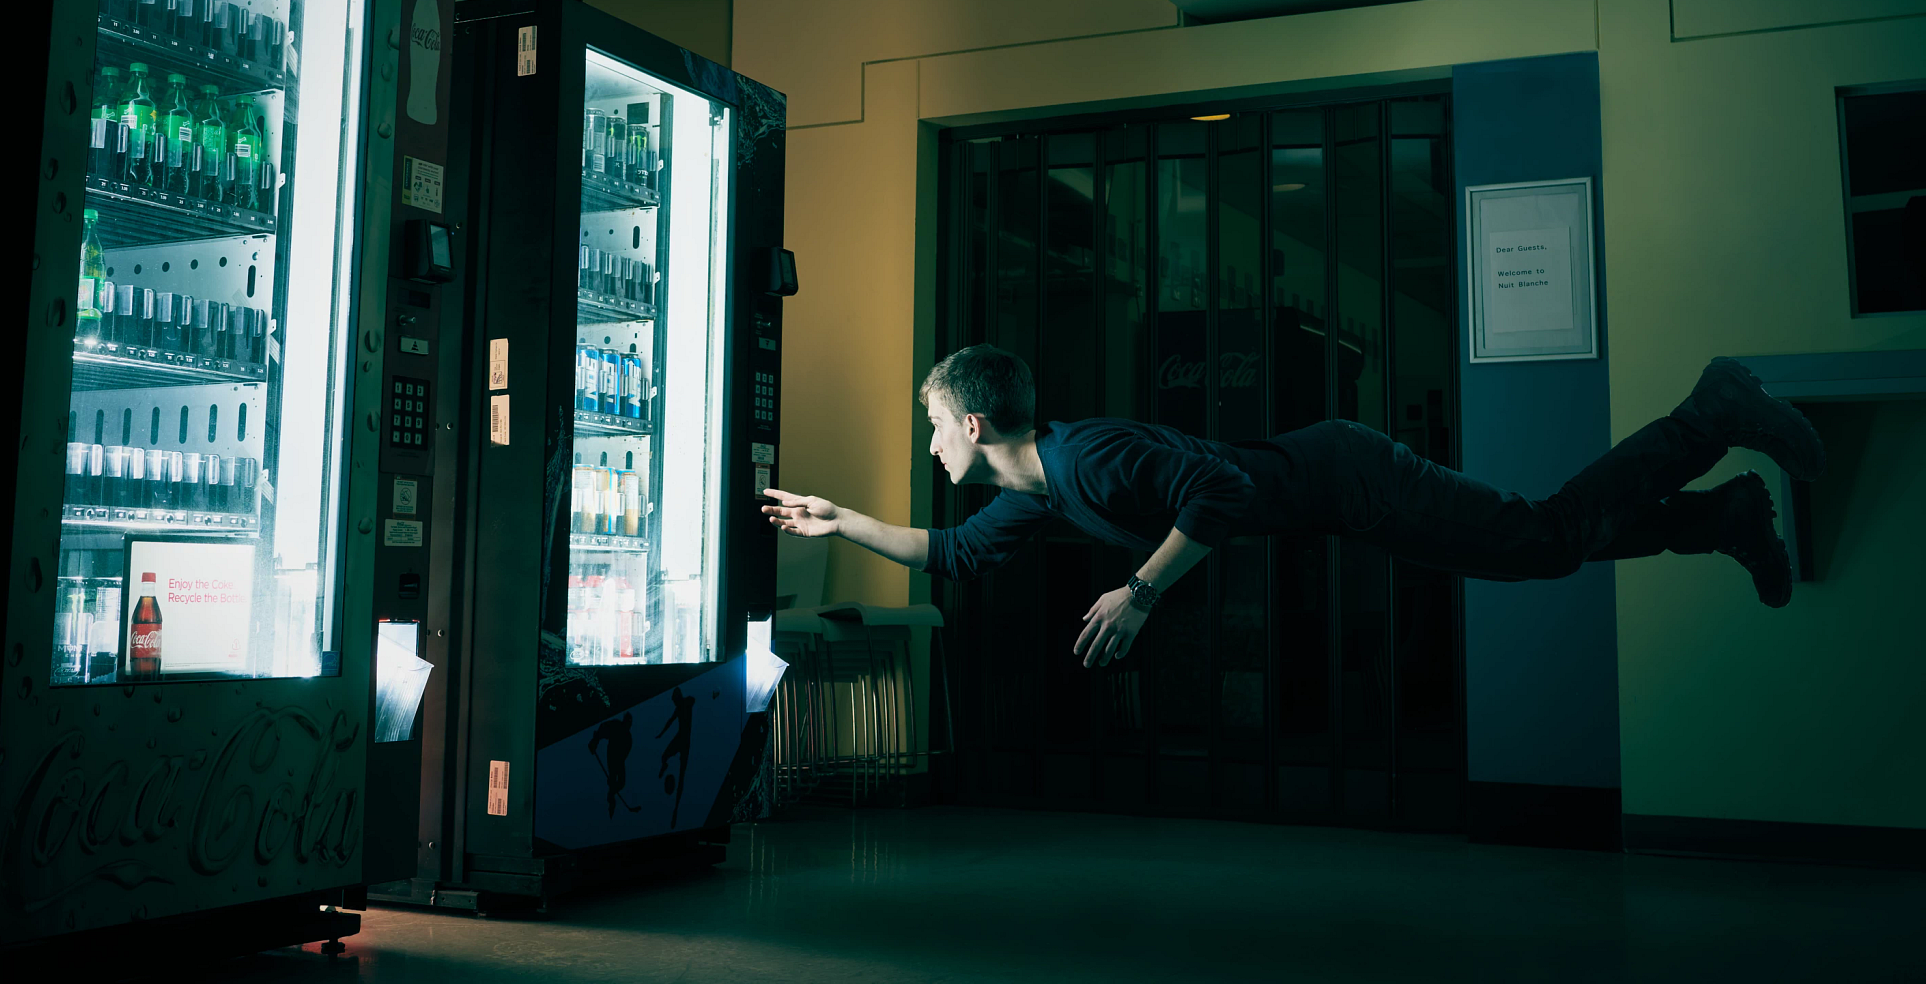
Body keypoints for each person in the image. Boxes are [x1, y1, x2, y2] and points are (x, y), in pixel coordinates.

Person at [761, 345, 1821, 669]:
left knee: (1541, 536)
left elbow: (1216, 489)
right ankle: (1720, 515)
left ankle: (1709, 417)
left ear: (978, 429)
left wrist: (1139, 590)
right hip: (1339, 495)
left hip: (1344, 475)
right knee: (1536, 552)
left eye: (934, 424)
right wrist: (835, 518)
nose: (930, 441)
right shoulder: (1041, 492)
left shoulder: (1090, 460)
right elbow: (947, 553)